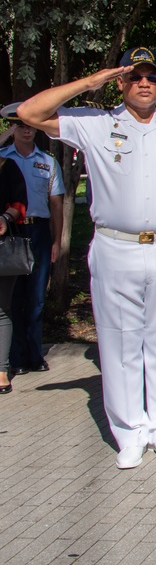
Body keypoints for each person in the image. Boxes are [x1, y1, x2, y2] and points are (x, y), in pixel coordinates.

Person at [17, 46, 156, 468]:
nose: (144, 82)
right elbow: (30, 113)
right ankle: (130, 433)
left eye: (151, 76)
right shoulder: (95, 124)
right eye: (135, 75)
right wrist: (89, 82)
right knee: (120, 342)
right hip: (114, 245)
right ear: (120, 82)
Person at [0, 104, 64, 375]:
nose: (27, 130)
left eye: (30, 125)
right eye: (20, 126)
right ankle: (13, 357)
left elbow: (57, 204)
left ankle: (35, 354)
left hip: (37, 231)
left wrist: (57, 240)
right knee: (11, 299)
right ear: (12, 128)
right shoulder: (3, 158)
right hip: (10, 232)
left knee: (36, 297)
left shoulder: (47, 162)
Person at [0, 147, 27, 395]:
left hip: (2, 250)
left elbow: (20, 203)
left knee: (1, 310)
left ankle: (1, 370)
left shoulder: (6, 166)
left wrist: (5, 218)